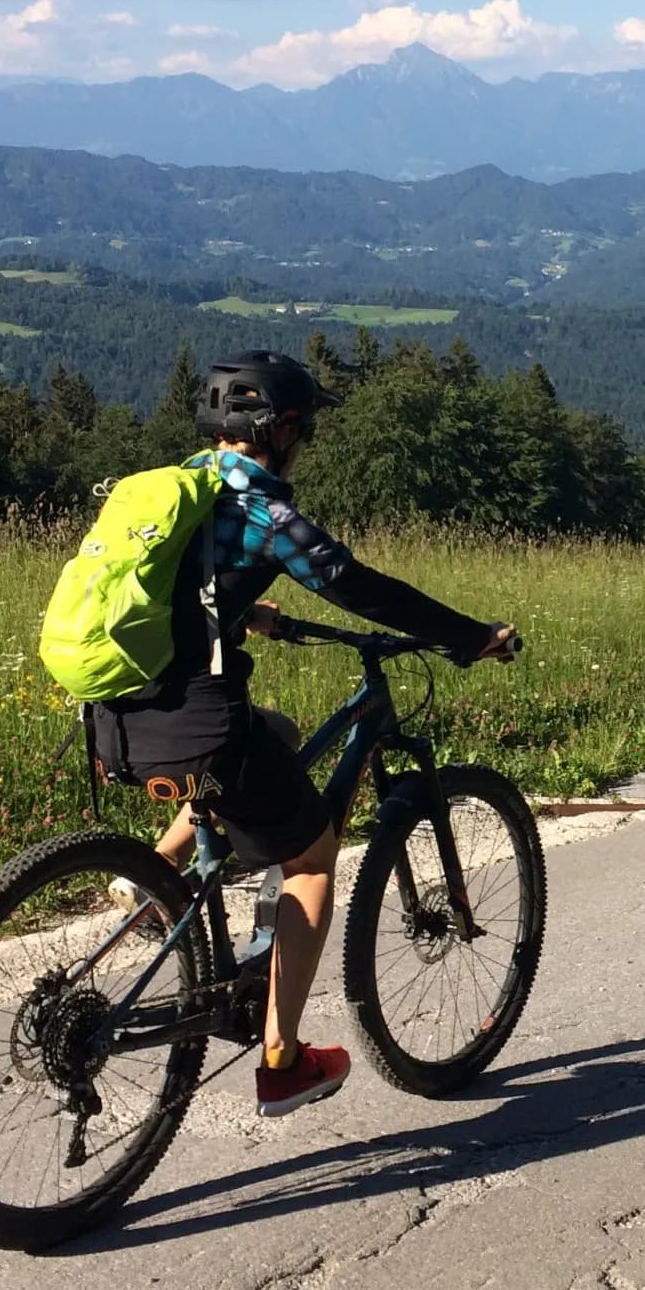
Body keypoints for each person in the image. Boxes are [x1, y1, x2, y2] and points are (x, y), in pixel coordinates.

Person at [88, 352, 517, 1116]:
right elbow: (359, 587)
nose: (307, 440)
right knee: (312, 860)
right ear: (281, 428)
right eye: (305, 428)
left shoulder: (174, 490)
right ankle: (283, 1062)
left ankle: (152, 880)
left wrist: (250, 613)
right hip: (194, 729)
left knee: (274, 731)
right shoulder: (265, 512)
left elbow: (174, 590)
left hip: (114, 719)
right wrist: (468, 634)